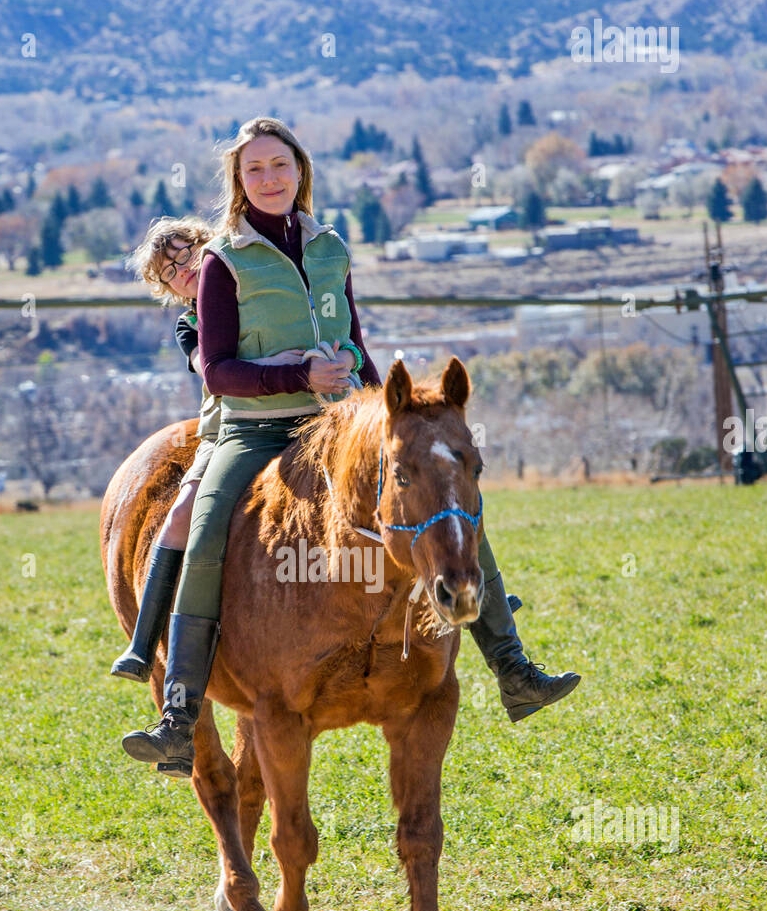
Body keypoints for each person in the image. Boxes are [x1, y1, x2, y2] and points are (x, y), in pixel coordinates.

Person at [121, 117, 579, 775]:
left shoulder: (331, 247)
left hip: (342, 421)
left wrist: (389, 413)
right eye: (255, 170)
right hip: (257, 428)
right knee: (202, 525)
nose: (270, 178)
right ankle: (178, 713)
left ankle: (512, 665)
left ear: (300, 170)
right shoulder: (223, 261)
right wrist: (297, 376)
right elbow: (217, 369)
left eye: (280, 166)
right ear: (239, 182)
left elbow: (357, 342)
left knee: (438, 485)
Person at [110, 215, 304, 681]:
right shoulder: (189, 324)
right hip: (231, 427)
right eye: (170, 272)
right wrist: (268, 366)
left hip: (301, 410)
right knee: (182, 514)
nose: (184, 270)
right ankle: (144, 644)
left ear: (207, 245)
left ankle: (480, 600)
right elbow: (207, 366)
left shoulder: (249, 292)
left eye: (186, 253)